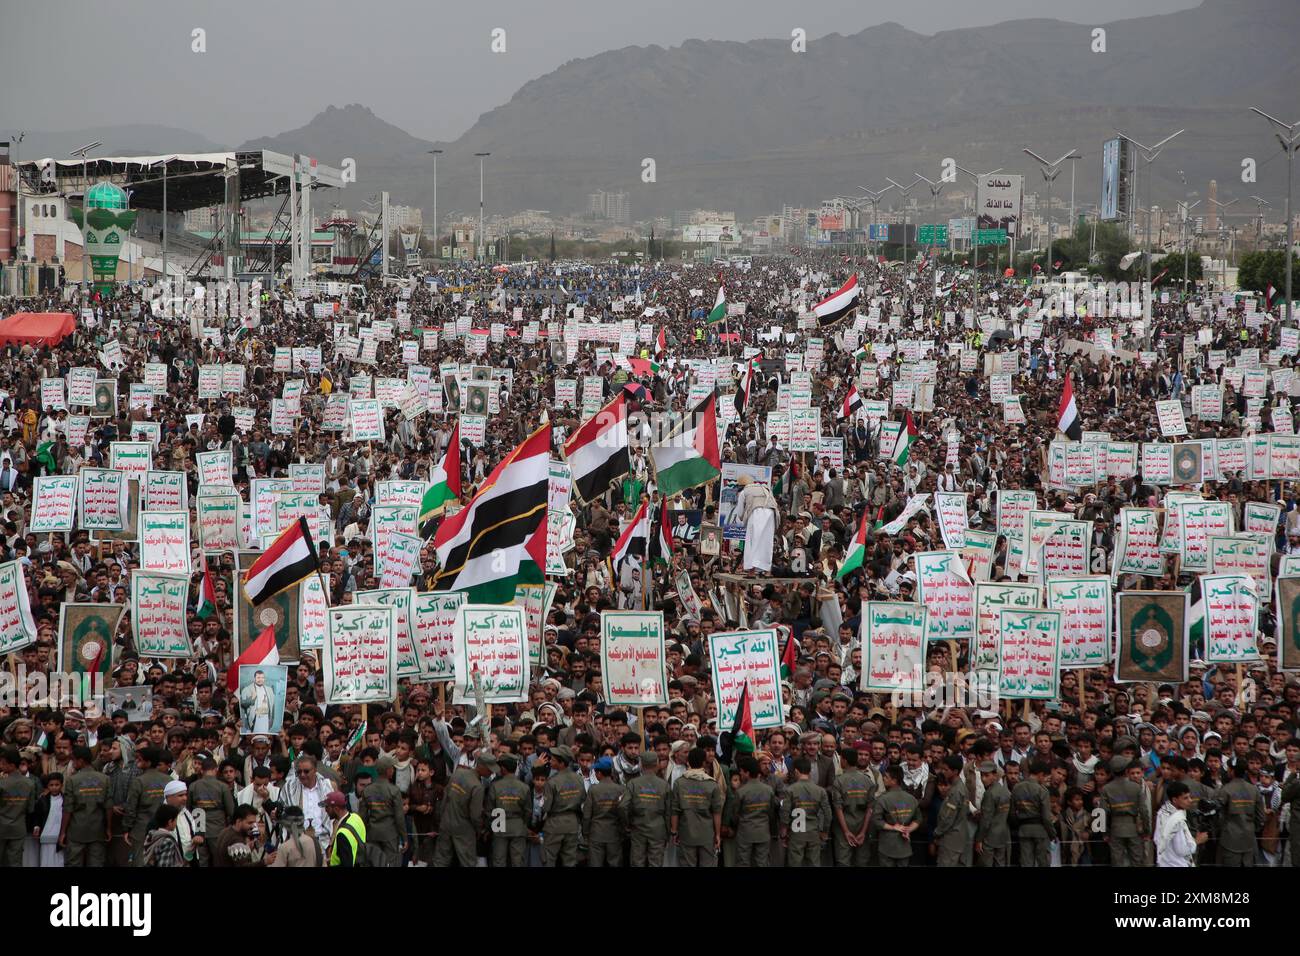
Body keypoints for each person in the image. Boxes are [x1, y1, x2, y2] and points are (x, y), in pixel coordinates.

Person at [432, 751, 491, 867]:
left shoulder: (458, 773)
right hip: (464, 828)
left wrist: (442, 819)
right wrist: (480, 830)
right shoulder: (477, 787)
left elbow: (445, 797)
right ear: (482, 767)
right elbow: (475, 815)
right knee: (467, 862)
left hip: (446, 822)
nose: (492, 772)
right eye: (490, 768)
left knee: (441, 860)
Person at [671, 747, 723, 867]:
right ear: (704, 763)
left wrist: (674, 831)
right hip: (707, 834)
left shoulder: (679, 783)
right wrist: (718, 835)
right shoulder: (712, 784)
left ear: (688, 762)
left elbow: (675, 810)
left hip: (686, 833)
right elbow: (717, 812)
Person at [60, 745, 109, 868]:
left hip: (76, 830)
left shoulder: (72, 780)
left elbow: (67, 809)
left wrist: (63, 832)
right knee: (97, 863)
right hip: (97, 829)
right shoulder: (105, 779)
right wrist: (108, 828)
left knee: (73, 863)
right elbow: (109, 807)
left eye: (74, 760)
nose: (72, 763)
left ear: (80, 761)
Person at [624, 751, 671, 867]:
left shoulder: (633, 783)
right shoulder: (664, 785)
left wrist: (627, 823)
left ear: (641, 764)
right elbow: (669, 811)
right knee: (655, 863)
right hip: (658, 830)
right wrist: (668, 831)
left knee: (637, 862)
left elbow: (622, 806)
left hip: (638, 828)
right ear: (657, 763)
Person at [1101, 756, 1150, 867]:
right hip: (1134, 829)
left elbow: (1102, 812)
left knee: (1117, 862)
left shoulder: (1106, 788)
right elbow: (1144, 811)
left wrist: (1104, 833)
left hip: (1115, 829)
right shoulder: (1136, 787)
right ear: (1126, 770)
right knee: (1137, 861)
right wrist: (1146, 831)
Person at [540, 746, 585, 866]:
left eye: (553, 760)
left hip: (555, 823)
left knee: (548, 858)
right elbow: (582, 800)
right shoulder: (579, 779)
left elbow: (546, 807)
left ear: (561, 763)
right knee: (570, 859)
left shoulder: (552, 782)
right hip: (572, 823)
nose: (550, 761)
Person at [781, 756, 828, 867]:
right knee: (814, 863)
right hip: (813, 832)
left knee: (794, 863)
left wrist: (784, 831)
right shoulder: (820, 790)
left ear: (796, 771)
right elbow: (828, 813)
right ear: (809, 771)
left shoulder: (790, 790)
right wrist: (824, 831)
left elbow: (785, 813)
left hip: (796, 833)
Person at [871, 765, 920, 867]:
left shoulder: (882, 799)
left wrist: (894, 827)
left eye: (886, 777)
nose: (883, 778)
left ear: (894, 781)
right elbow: (918, 819)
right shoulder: (911, 798)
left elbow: (876, 821)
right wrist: (908, 830)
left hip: (887, 846)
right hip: (905, 846)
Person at [486, 753, 530, 867]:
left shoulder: (495, 786)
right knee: (517, 861)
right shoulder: (524, 787)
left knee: (499, 861)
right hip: (518, 825)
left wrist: (489, 827)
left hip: (499, 824)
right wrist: (523, 824)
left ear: (503, 769)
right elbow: (528, 811)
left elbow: (489, 810)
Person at [581, 756, 625, 866]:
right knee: (615, 863)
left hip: (596, 834)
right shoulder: (620, 789)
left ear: (599, 773)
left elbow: (587, 815)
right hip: (614, 833)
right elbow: (624, 811)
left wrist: (585, 833)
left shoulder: (593, 790)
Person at [1011, 760, 1054, 868]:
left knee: (1026, 862)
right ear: (1040, 774)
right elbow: (1046, 817)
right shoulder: (1042, 790)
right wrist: (1052, 833)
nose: (1045, 780)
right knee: (1043, 862)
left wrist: (1018, 826)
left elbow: (1012, 813)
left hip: (1023, 830)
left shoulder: (1016, 788)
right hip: (1040, 830)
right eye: (1045, 777)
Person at [1156, 781, 1207, 867]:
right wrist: (1197, 840)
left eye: (1190, 797)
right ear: (1175, 800)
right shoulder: (1176, 819)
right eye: (1185, 798)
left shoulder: (1162, 812)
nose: (1190, 800)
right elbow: (1181, 850)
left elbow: (1156, 839)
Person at [735, 474, 778, 572]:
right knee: (766, 542)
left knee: (752, 542)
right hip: (770, 513)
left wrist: (743, 520)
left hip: (756, 513)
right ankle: (767, 571)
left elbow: (740, 513)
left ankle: (752, 571)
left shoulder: (744, 492)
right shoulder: (764, 488)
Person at [974, 761, 1011, 867]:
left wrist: (979, 839)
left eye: (987, 775)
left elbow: (986, 820)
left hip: (989, 838)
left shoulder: (989, 794)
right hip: (1003, 836)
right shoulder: (1005, 791)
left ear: (995, 775)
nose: (983, 779)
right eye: (982, 775)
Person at [324, 790, 366, 868]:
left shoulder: (342, 835)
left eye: (327, 807)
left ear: (336, 809)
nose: (325, 810)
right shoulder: (356, 817)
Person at [239, 669, 276, 734]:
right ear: (254, 678)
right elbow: (242, 704)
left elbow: (272, 706)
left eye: (262, 678)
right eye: (258, 677)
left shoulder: (269, 690)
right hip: (254, 718)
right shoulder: (247, 689)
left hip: (266, 718)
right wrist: (252, 699)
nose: (260, 679)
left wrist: (271, 719)